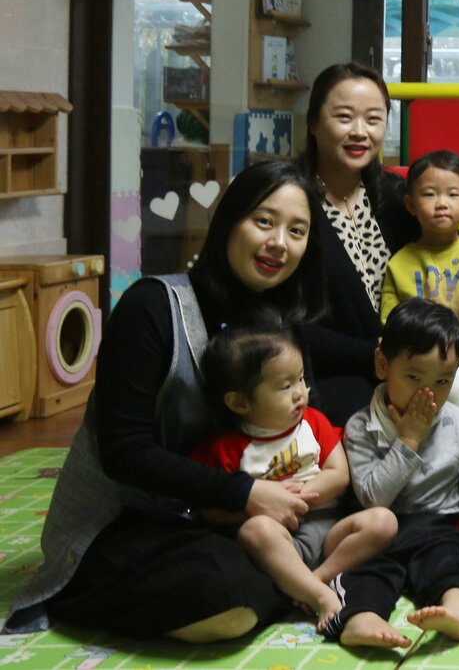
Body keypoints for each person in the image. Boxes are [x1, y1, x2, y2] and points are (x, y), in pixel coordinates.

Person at [4, 161, 324, 641]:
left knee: (360, 534)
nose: (279, 242)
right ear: (229, 220)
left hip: (228, 522)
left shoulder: (279, 324)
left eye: (296, 231)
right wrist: (244, 493)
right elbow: (125, 453)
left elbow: (307, 421)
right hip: (126, 523)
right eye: (264, 221)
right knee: (227, 594)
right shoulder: (152, 306)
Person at [190, 326, 397, 629]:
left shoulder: (313, 422)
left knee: (384, 521)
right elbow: (211, 510)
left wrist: (294, 498)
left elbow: (339, 474)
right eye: (285, 386)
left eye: (301, 379)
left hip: (331, 532)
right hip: (281, 542)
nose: (300, 392)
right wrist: (256, 507)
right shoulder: (228, 447)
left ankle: (316, 579)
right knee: (254, 531)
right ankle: (320, 596)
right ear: (239, 403)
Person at [323, 298, 459, 649]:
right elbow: (373, 498)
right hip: (381, 533)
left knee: (452, 565)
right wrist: (408, 441)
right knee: (366, 573)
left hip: (441, 527)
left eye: (442, 381)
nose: (427, 392)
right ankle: (362, 619)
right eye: (413, 377)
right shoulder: (361, 427)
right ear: (382, 364)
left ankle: (456, 609)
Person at [298, 62, 421, 425]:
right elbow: (285, 322)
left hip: (409, 369)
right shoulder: (291, 202)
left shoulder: (397, 196)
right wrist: (374, 354)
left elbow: (455, 254)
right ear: (313, 123)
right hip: (329, 376)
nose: (359, 132)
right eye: (344, 117)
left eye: (373, 119)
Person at [380, 149, 459, 411]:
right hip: (412, 366)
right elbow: (388, 320)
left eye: (453, 195)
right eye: (429, 194)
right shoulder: (400, 262)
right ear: (411, 205)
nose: (441, 203)